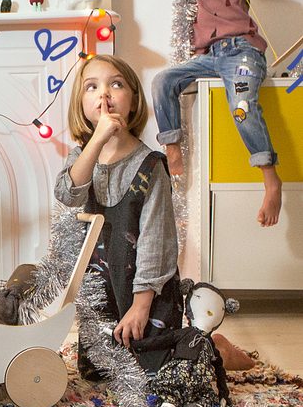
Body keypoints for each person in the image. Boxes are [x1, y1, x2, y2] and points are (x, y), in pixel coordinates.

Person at [55, 55, 252, 378]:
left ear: (133, 100)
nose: (104, 94)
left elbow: (156, 242)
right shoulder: (82, 158)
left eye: (116, 84)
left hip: (145, 288)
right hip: (102, 287)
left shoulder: (150, 166)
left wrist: (141, 305)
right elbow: (68, 194)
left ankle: (216, 347)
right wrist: (97, 140)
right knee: (99, 373)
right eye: (91, 87)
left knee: (161, 371)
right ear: (81, 104)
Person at [153, 0, 303, 226]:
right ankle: (171, 146)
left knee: (242, 106)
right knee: (163, 80)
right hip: (209, 57)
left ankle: (270, 178)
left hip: (242, 53)